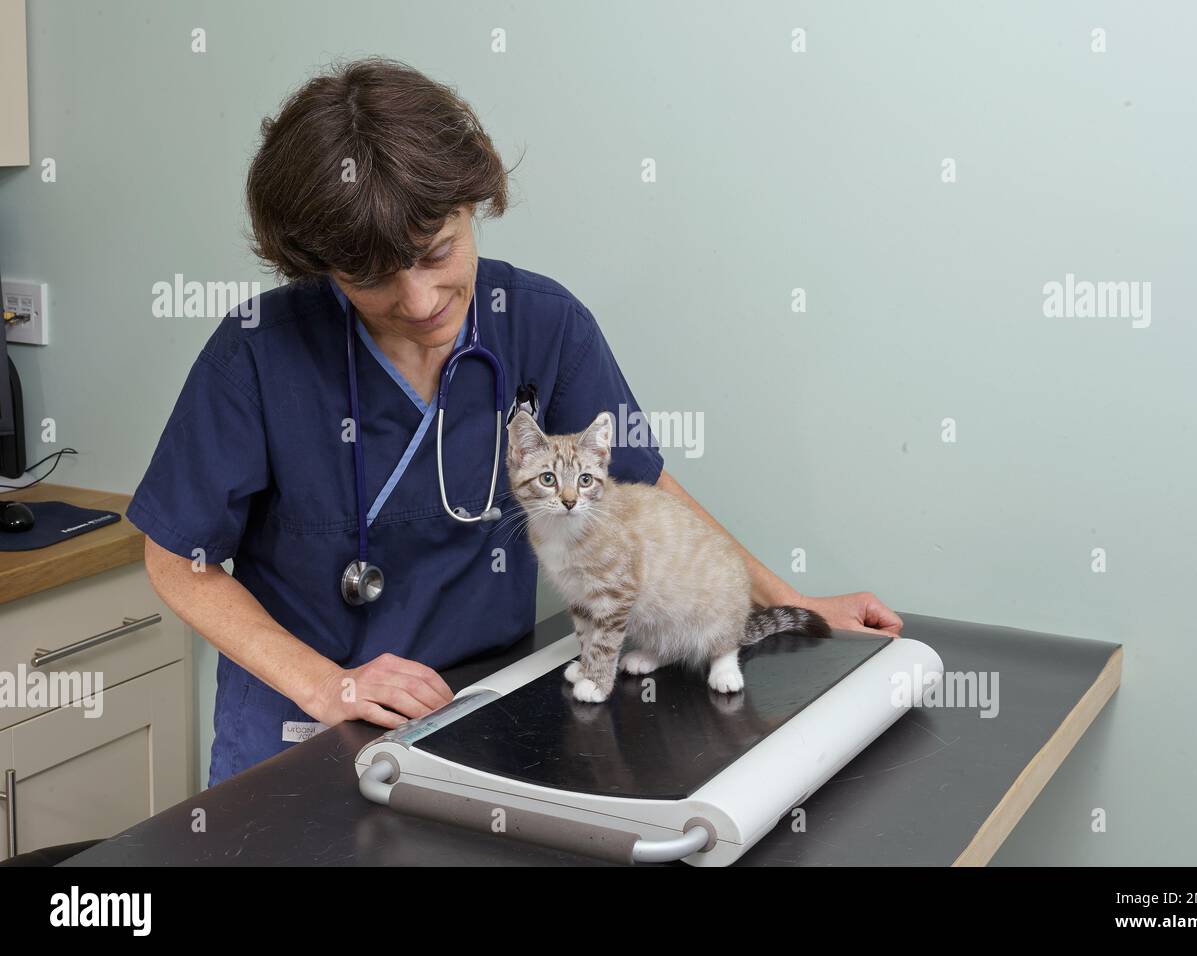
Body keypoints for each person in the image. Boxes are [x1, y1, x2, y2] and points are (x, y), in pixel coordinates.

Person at [128, 58, 903, 787]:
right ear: (319, 264)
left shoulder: (540, 325)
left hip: (480, 715)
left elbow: (641, 486)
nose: (422, 301)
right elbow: (176, 558)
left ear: (475, 204)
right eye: (369, 278)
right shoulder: (258, 355)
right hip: (301, 736)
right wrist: (326, 684)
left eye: (437, 252)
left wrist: (784, 601)